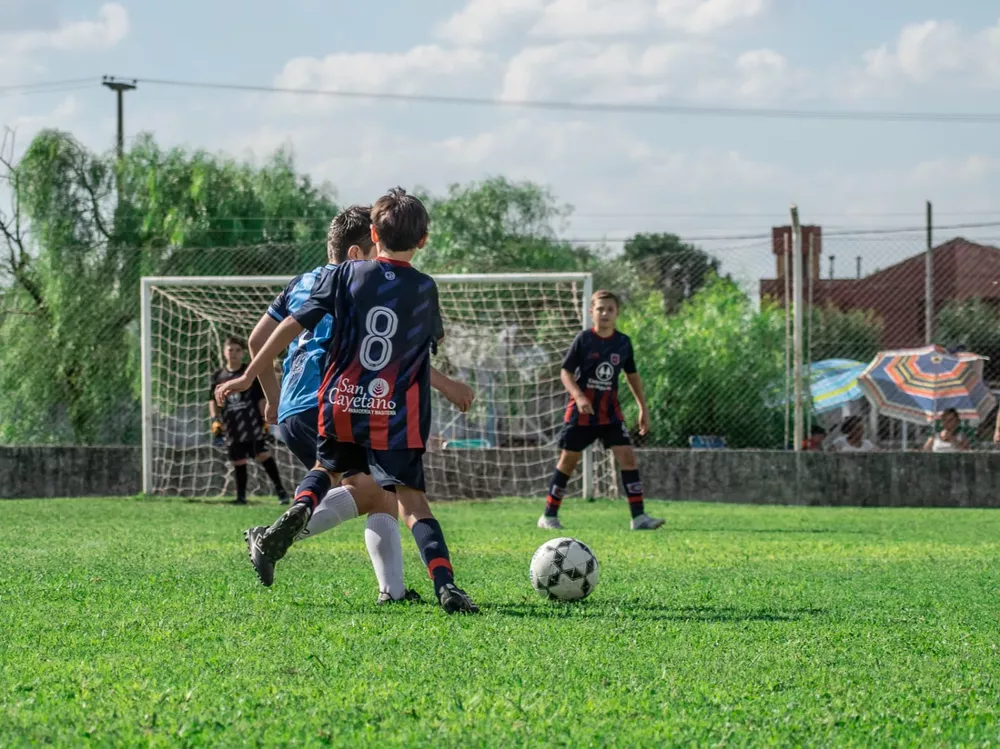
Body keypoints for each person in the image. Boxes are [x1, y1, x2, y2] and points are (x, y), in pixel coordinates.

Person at [217, 187, 479, 614]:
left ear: (375, 236)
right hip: (377, 403)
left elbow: (264, 335)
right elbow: (409, 353)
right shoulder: (403, 285)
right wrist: (448, 384)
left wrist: (260, 385)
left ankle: (390, 589)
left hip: (322, 401)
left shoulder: (317, 279)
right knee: (396, 495)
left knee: (362, 486)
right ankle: (271, 538)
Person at [538, 290, 664, 531]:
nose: (605, 313)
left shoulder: (623, 342)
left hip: (611, 414)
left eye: (610, 309)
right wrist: (579, 396)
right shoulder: (584, 340)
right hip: (581, 413)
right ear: (591, 312)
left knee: (627, 455)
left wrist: (643, 408)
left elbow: (632, 375)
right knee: (568, 461)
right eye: (600, 309)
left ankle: (639, 517)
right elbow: (565, 372)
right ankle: (548, 515)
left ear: (617, 313)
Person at [208, 336, 288, 505]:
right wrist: (215, 420)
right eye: (231, 350)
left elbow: (260, 398)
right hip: (232, 425)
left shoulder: (249, 373)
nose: (234, 354)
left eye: (238, 350)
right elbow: (212, 400)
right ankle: (241, 497)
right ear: (224, 352)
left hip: (252, 423)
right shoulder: (218, 376)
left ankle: (281, 491)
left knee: (263, 455)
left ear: (243, 353)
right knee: (238, 460)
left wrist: (264, 419)